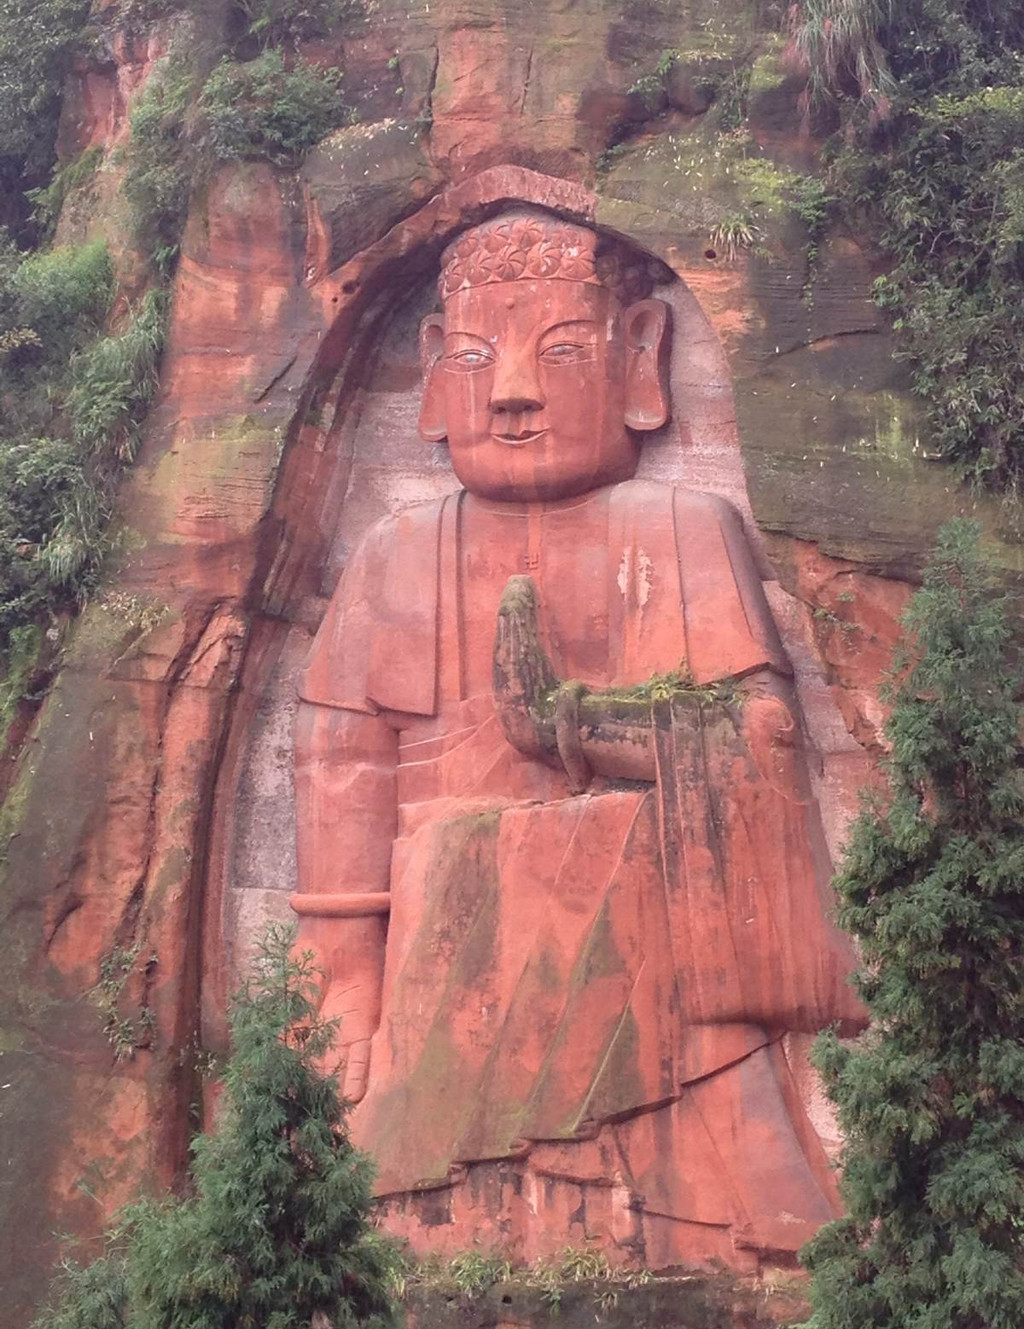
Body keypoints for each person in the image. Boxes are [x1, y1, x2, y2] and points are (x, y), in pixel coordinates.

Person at [292, 210, 864, 1269]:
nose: (512, 389)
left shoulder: (682, 529)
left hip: (640, 908)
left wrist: (574, 725)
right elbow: (340, 772)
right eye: (474, 356)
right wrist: (339, 988)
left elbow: (760, 739)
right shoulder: (396, 550)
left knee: (631, 844)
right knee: (477, 851)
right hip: (439, 934)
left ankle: (721, 1176)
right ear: (434, 372)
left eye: (559, 350)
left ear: (640, 353)